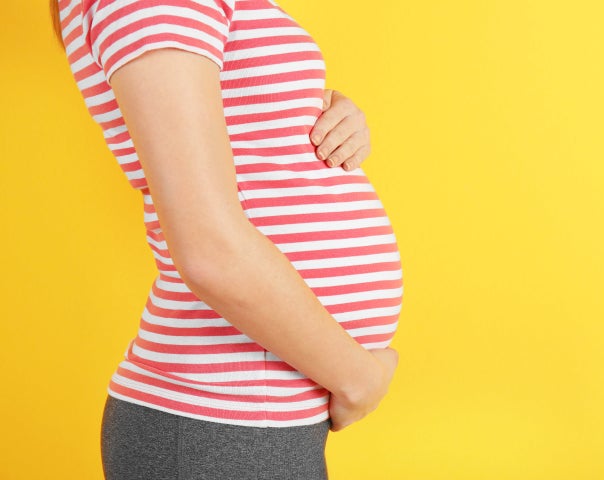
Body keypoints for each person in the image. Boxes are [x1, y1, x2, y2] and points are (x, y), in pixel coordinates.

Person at [50, 0, 403, 478]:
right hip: (221, 424)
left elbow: (238, 121)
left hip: (247, 420)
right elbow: (209, 249)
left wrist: (319, 116)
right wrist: (360, 379)